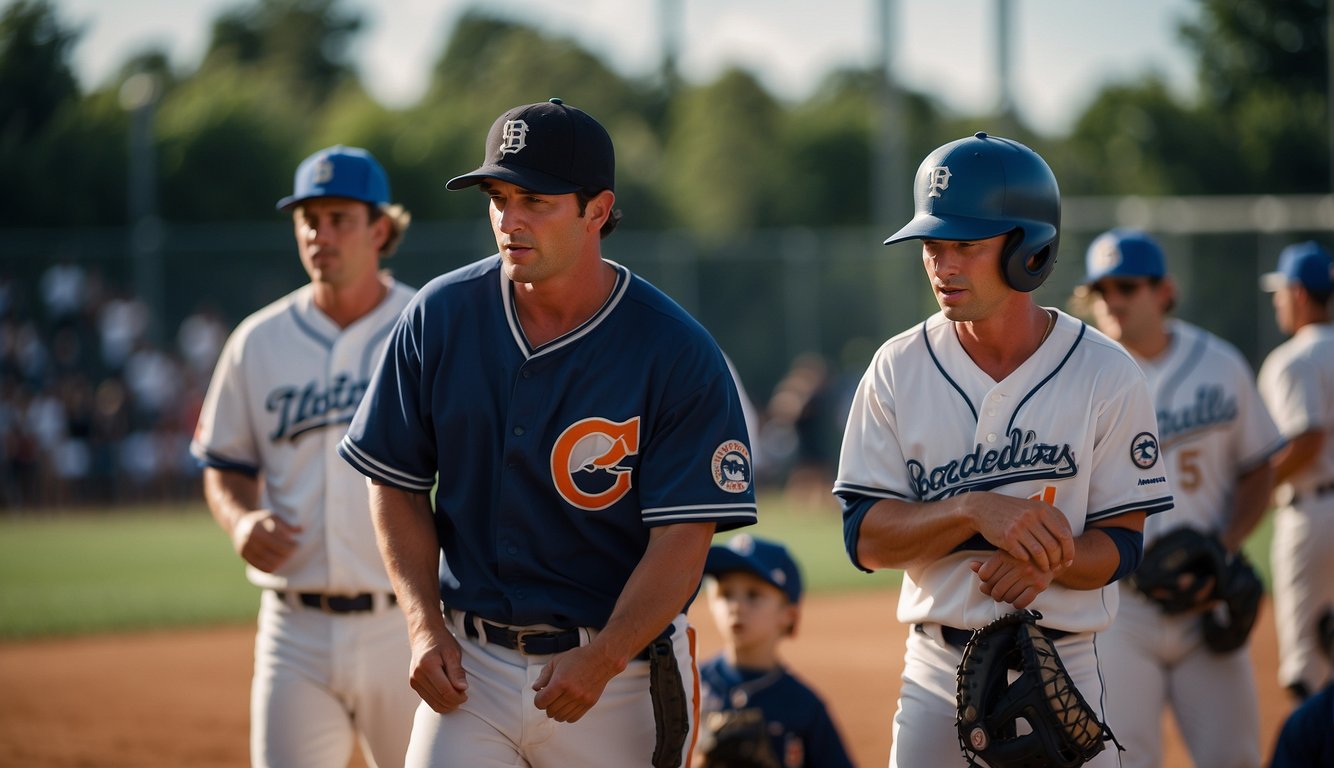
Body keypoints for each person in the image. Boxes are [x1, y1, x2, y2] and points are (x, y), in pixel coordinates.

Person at [337, 98, 758, 768]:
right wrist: (422, 625)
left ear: (598, 210)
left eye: (536, 199)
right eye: (498, 196)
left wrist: (605, 655)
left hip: (619, 674)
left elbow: (683, 539)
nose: (510, 218)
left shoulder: (674, 350)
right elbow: (394, 482)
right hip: (470, 671)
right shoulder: (439, 318)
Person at [831, 132, 1174, 767]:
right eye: (932, 245)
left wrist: (1054, 561)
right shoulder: (897, 367)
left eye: (965, 243)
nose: (942, 263)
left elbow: (1122, 545)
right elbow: (864, 537)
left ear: (1028, 249)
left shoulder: (1104, 371)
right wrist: (971, 511)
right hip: (937, 672)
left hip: (1062, 664)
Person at [190, 145, 418, 768]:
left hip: (407, 622)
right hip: (294, 630)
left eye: (339, 218)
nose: (320, 234)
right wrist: (240, 521)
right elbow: (224, 463)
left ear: (379, 228)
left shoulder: (427, 326)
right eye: (308, 219)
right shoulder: (258, 341)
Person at [1075, 229, 1281, 768]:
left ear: (1164, 291)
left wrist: (1225, 544)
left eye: (1126, 285)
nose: (1111, 300)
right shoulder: (1078, 377)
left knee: (1231, 756)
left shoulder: (1219, 363)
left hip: (1206, 595)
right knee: (1121, 760)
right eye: (1099, 290)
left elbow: (1259, 468)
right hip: (1118, 606)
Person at [695, 534, 853, 768]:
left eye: (753, 595)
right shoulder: (690, 685)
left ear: (789, 616)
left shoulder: (803, 706)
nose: (736, 607)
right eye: (726, 594)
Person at [1257, 239, 1334, 703]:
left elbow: (1308, 440)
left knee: (1307, 668)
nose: (1278, 302)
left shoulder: (1294, 359)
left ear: (1300, 294)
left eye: (1281, 292)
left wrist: (1256, 489)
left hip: (1313, 519)